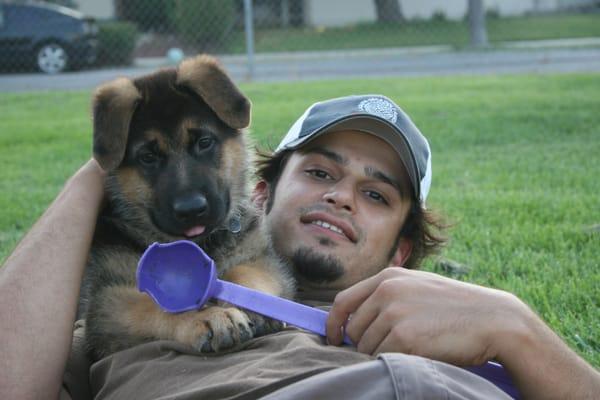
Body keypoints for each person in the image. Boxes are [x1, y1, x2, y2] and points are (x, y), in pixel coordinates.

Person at [1, 95, 598, 400]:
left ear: (399, 253)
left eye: (375, 194)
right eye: (319, 173)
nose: (342, 197)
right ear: (258, 196)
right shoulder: (145, 307)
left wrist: (516, 325)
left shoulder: (448, 325)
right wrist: (107, 158)